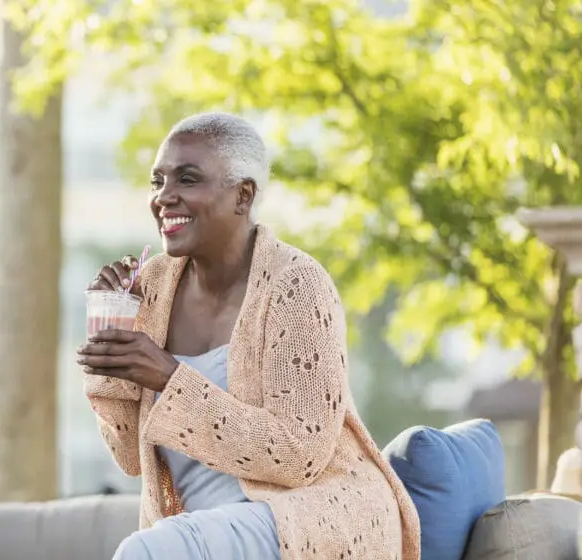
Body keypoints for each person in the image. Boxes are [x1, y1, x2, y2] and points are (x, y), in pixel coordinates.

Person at [77, 112, 421, 559]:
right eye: (157, 181)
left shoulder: (296, 285)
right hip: (201, 528)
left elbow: (299, 455)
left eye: (187, 179)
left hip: (304, 520)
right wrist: (111, 352)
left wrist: (169, 376)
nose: (164, 197)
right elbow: (129, 458)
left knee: (145, 554)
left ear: (243, 195)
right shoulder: (152, 287)